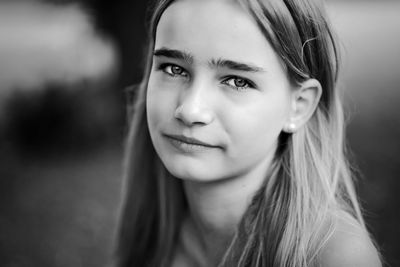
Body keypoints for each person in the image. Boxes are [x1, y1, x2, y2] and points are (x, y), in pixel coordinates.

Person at [114, 0, 382, 266]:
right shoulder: (151, 232)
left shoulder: (334, 258)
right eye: (174, 68)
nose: (190, 110)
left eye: (237, 81)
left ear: (298, 106)